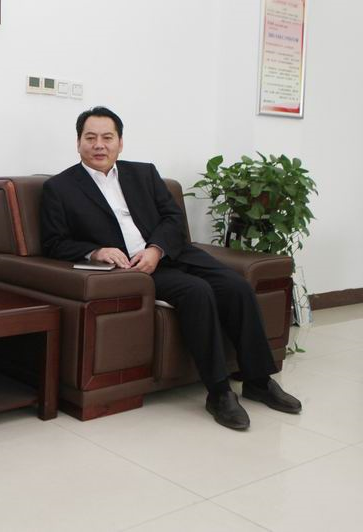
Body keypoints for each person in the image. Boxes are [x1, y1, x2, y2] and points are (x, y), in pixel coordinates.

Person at [40, 106, 302, 430]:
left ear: (120, 142)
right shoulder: (60, 188)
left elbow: (173, 218)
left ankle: (259, 381)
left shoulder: (144, 173)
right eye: (90, 137)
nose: (99, 145)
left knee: (237, 287)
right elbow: (54, 243)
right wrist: (96, 251)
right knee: (197, 292)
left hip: (172, 254)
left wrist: (156, 248)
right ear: (78, 142)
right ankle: (219, 392)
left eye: (107, 137)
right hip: (133, 270)